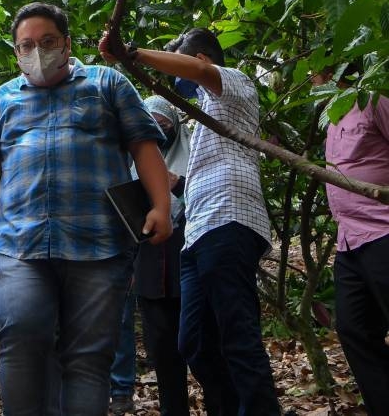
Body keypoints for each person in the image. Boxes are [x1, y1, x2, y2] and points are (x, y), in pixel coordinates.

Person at [0, 2, 172, 416]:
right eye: (26, 46)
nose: (37, 52)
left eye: (47, 42)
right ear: (16, 53)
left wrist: (161, 206)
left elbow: (143, 145)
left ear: (66, 44)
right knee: (22, 334)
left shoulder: (107, 84)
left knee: (88, 357)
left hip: (99, 243)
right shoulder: (0, 101)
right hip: (18, 243)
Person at [99, 27, 280, 416]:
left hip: (230, 218)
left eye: (182, 62)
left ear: (200, 59)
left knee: (237, 334)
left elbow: (197, 73)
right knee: (194, 341)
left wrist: (133, 54)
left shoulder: (234, 83)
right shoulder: (203, 120)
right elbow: (189, 181)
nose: (175, 80)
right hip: (199, 231)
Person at [317, 69, 389, 415]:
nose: (313, 80)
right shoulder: (332, 117)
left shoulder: (374, 99)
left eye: (317, 73)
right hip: (349, 241)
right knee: (354, 329)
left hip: (384, 231)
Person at [133, 96, 192, 416]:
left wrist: (177, 183)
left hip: (189, 265)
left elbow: (208, 197)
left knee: (199, 344)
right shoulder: (134, 164)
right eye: (151, 123)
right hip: (150, 271)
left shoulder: (193, 154)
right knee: (163, 352)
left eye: (165, 123)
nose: (159, 130)